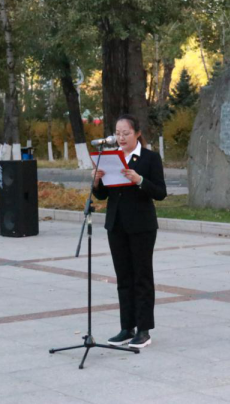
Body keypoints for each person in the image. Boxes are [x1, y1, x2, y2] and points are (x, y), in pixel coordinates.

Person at [92, 114, 167, 349]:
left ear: (137, 133)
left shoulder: (150, 158)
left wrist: (140, 180)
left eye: (126, 133)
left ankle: (144, 330)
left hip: (142, 225)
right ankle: (127, 327)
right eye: (117, 133)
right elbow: (103, 195)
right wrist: (97, 182)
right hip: (116, 224)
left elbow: (160, 192)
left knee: (142, 276)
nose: (121, 137)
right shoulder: (110, 158)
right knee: (123, 277)